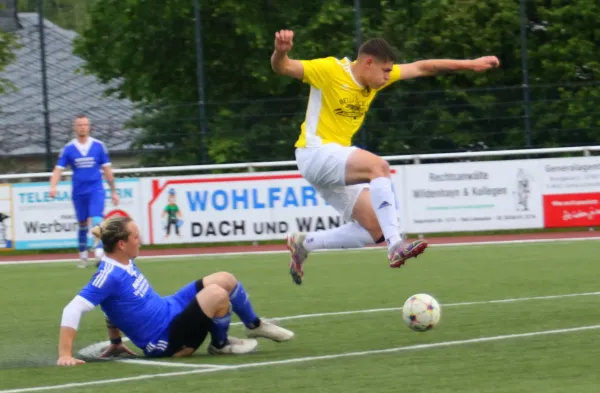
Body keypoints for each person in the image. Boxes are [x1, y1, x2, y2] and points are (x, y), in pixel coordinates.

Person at [270, 30, 500, 284]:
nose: (388, 76)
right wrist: (281, 51)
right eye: (386, 71)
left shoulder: (374, 78)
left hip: (334, 163)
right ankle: (395, 246)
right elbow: (283, 67)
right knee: (378, 167)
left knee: (374, 228)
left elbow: (424, 67)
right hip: (315, 153)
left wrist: (470, 64)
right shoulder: (329, 70)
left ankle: (305, 244)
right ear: (368, 62)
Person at [57, 216, 294, 366]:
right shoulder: (108, 274)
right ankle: (220, 345)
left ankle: (254, 326)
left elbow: (113, 304)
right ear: (121, 244)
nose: (140, 240)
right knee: (216, 295)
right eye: (136, 237)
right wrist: (65, 355)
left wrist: (116, 341)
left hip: (170, 309)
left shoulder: (124, 261)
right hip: (165, 340)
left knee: (225, 279)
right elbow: (73, 308)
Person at [49, 114, 120, 268]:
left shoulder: (98, 146)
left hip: (96, 189)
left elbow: (107, 170)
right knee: (82, 223)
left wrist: (113, 191)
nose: (82, 127)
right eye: (79, 125)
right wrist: (53, 186)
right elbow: (58, 169)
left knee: (96, 220)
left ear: (89, 127)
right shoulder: (68, 148)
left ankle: (99, 254)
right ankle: (82, 256)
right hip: (79, 191)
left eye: (85, 124)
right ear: (75, 127)